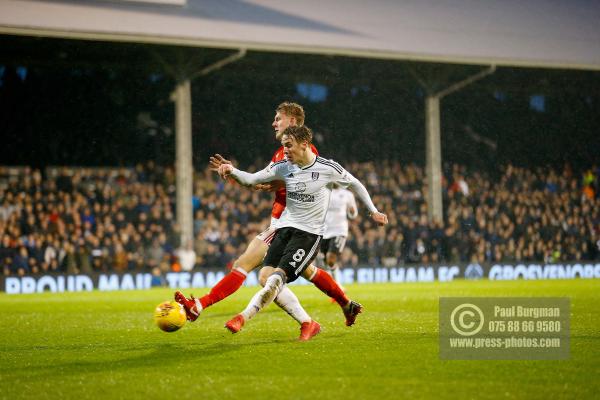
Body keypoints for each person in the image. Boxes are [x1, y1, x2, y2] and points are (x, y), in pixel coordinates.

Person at [175, 102, 361, 340]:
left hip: (290, 224)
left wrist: (269, 181)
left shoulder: (302, 151)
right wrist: (236, 174)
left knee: (250, 268)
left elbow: (302, 179)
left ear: (292, 122)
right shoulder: (282, 152)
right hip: (283, 222)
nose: (274, 123)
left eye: (278, 118)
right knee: (308, 271)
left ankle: (199, 306)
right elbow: (261, 181)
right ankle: (344, 305)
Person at [219, 125, 388, 337]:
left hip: (308, 235)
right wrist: (232, 171)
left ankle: (242, 318)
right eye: (283, 146)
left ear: (304, 144)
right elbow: (252, 179)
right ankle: (347, 305)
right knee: (266, 275)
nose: (285, 150)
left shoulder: (327, 168)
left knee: (275, 279)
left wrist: (373, 211)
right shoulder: (283, 167)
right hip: (284, 231)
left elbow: (355, 184)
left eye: (288, 146)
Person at [320, 183, 358, 291]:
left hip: (339, 230)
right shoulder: (323, 192)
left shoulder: (347, 194)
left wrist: (352, 212)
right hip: (324, 230)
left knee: (331, 258)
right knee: (327, 262)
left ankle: (337, 286)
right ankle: (334, 285)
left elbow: (353, 213)